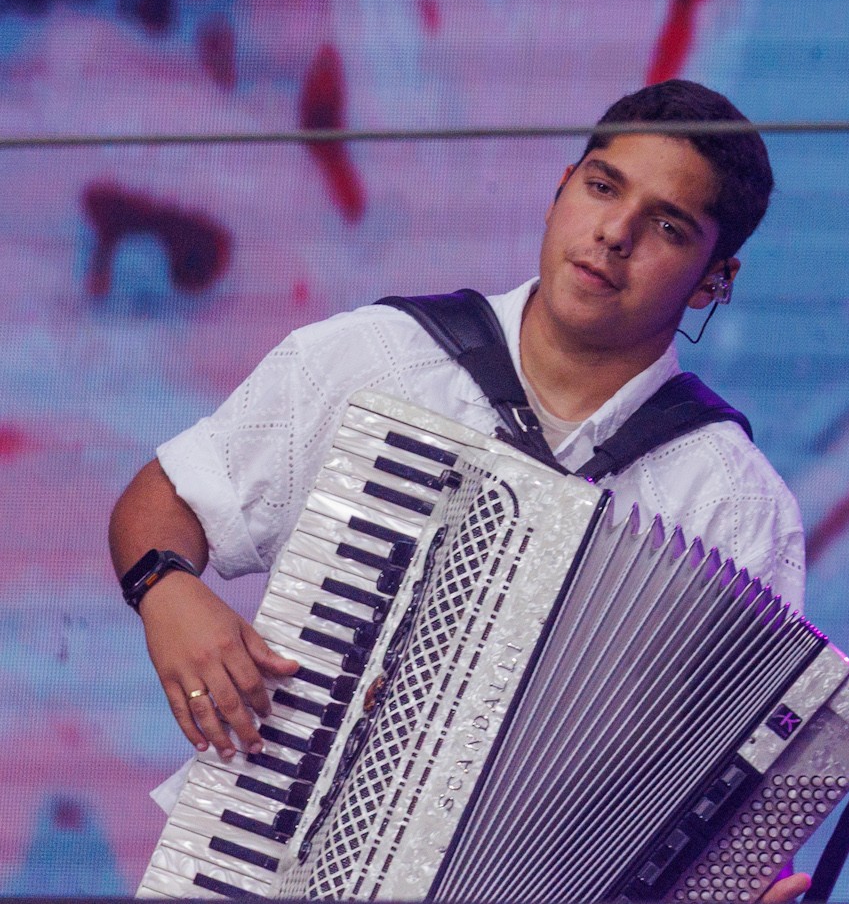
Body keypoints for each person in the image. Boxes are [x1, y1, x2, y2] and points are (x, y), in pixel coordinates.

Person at [104, 78, 813, 903]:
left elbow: (733, 783)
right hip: (260, 868)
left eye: (666, 225)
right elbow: (165, 499)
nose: (613, 233)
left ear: (712, 281)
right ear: (558, 192)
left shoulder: (731, 501)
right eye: (601, 185)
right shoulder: (379, 358)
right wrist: (165, 589)